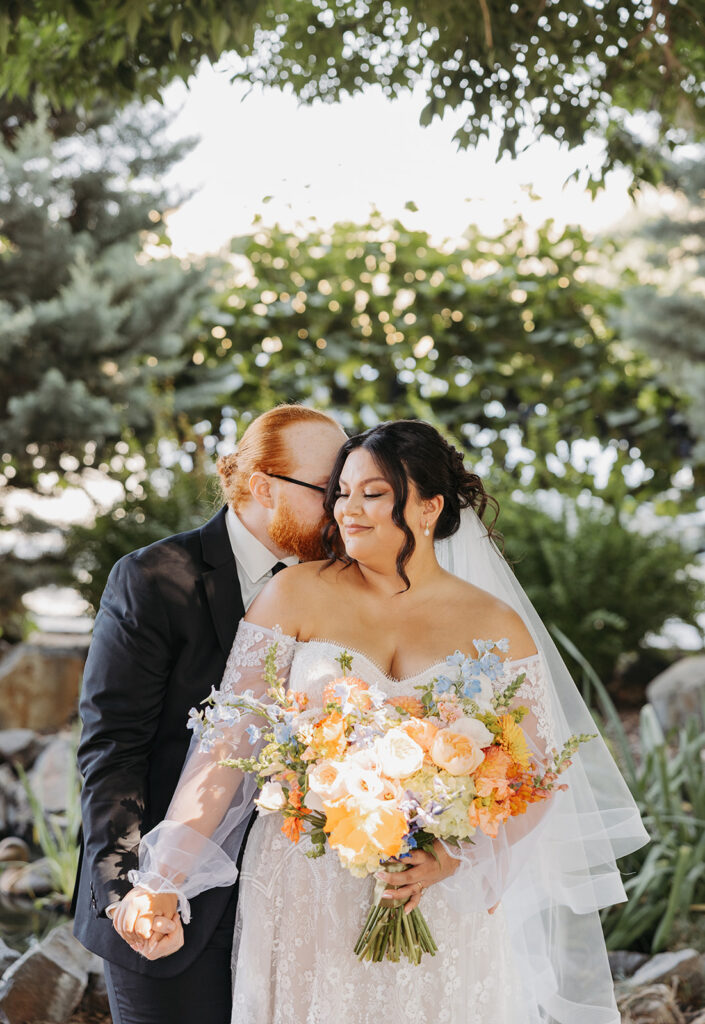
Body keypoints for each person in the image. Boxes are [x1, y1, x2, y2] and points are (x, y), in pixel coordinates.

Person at [116, 420, 649, 1024]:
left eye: (372, 493)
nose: (346, 510)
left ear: (428, 506)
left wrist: (452, 858)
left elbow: (538, 776)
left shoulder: (496, 626)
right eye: (340, 492)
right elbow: (224, 746)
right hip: (307, 889)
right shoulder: (292, 594)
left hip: (439, 900)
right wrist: (162, 879)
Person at [73, 404, 347, 1024]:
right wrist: (130, 888)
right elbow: (113, 749)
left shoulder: (349, 587)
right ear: (263, 487)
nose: (344, 509)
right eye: (329, 491)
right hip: (169, 903)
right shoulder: (154, 578)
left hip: (303, 903)